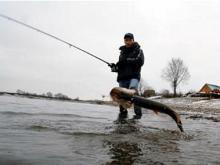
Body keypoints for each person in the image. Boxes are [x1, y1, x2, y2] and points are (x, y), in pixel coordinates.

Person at [109, 33, 144, 119]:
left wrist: (127, 60)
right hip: (122, 78)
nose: (127, 42)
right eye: (126, 40)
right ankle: (123, 115)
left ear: (133, 40)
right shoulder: (122, 52)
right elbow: (120, 66)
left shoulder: (138, 50)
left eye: (129, 40)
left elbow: (140, 61)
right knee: (122, 97)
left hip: (134, 76)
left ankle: (138, 115)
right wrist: (114, 67)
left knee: (133, 92)